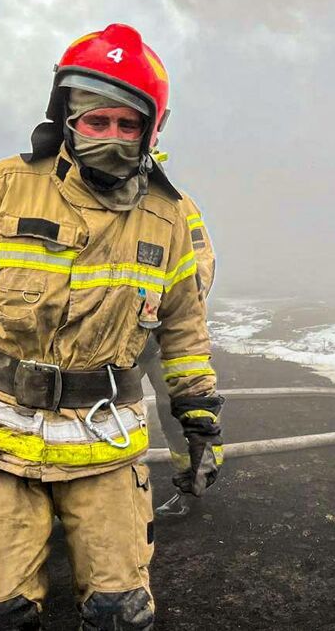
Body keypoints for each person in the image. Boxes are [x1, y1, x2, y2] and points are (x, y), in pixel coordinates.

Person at [0, 23, 223, 630]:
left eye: (129, 125)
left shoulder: (171, 216)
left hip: (107, 448)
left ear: (153, 129)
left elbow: (183, 329)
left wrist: (198, 417)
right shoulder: (3, 187)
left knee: (120, 615)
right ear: (67, 117)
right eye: (97, 121)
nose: (113, 138)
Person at [138, 152, 217, 519]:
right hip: (108, 348)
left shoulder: (178, 205)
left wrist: (165, 300)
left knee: (180, 412)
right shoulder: (83, 207)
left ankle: (194, 484)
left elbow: (202, 261)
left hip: (161, 338)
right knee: (96, 418)